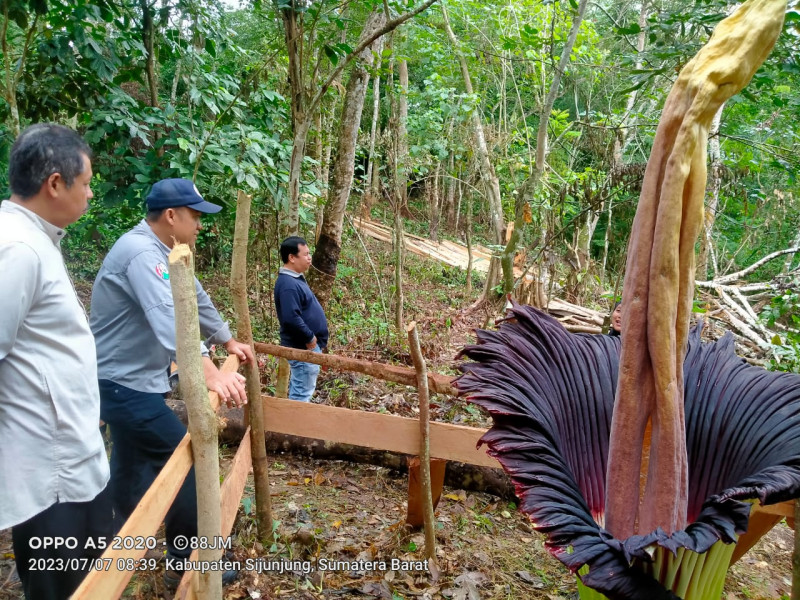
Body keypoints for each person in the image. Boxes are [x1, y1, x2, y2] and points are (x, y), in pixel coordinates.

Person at [89, 178, 253, 587]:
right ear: (170, 216)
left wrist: (228, 340)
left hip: (134, 385)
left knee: (130, 468)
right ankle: (188, 562)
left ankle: (109, 548)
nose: (200, 225)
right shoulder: (141, 254)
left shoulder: (167, 252)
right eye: (195, 216)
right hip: (121, 387)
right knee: (191, 461)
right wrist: (210, 372)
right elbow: (171, 319)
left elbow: (195, 299)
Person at [0, 123, 112, 599]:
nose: (88, 195)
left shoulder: (37, 239)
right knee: (63, 589)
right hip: (49, 474)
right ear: (54, 183)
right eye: (85, 183)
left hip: (72, 459)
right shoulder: (18, 249)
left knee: (91, 580)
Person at [274, 236, 329, 402]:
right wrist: (309, 338)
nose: (309, 257)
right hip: (303, 346)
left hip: (307, 346)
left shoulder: (295, 279)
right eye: (305, 254)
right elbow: (291, 318)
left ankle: (293, 425)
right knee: (301, 394)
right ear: (292, 257)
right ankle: (293, 427)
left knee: (303, 389)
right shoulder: (288, 284)